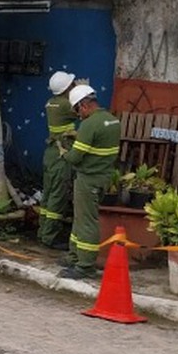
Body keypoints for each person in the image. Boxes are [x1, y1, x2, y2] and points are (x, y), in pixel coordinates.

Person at [58, 84, 121, 279]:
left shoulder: (89, 124)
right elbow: (98, 143)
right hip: (103, 176)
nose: (78, 115)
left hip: (88, 178)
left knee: (86, 222)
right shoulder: (112, 120)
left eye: (77, 110)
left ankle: (85, 266)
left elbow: (76, 157)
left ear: (84, 105)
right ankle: (75, 256)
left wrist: (64, 153)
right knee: (80, 218)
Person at [37, 71, 76, 250]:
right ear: (67, 87)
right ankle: (50, 237)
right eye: (72, 84)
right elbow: (86, 111)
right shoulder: (65, 105)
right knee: (58, 194)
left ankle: (43, 232)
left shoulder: (50, 103)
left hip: (51, 152)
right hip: (62, 153)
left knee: (48, 192)